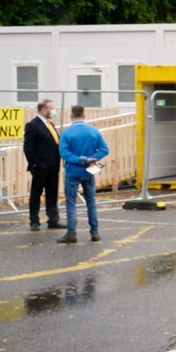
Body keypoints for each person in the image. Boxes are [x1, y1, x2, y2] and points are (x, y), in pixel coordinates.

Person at [59, 104, 110, 243]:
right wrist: (92, 158)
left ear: (71, 116)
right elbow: (105, 149)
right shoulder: (93, 131)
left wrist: (80, 159)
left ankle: (71, 233)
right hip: (89, 171)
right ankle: (94, 232)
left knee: (71, 203)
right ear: (84, 115)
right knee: (91, 202)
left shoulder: (66, 133)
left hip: (72, 171)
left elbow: (64, 153)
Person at [22, 98, 62, 232]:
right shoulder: (33, 125)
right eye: (52, 108)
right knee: (36, 194)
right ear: (44, 110)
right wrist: (34, 164)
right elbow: (28, 148)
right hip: (40, 166)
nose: (54, 111)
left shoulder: (50, 124)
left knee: (52, 193)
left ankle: (53, 219)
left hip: (53, 166)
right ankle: (34, 220)